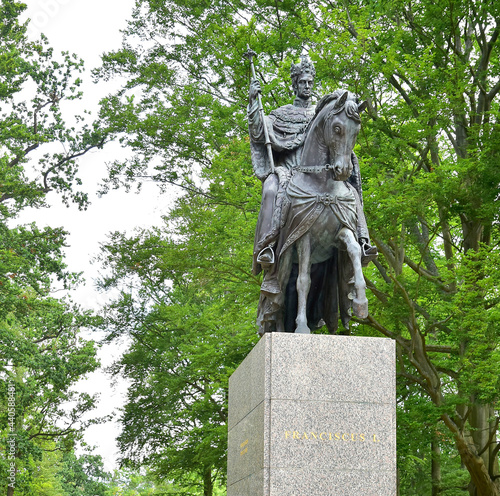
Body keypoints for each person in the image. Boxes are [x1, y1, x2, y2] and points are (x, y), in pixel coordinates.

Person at [248, 56, 376, 280]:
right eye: (302, 82)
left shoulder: (324, 112)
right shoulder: (282, 114)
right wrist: (253, 103)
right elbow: (261, 132)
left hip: (321, 176)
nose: (307, 86)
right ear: (295, 84)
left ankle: (363, 241)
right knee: (270, 189)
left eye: (310, 82)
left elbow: (339, 139)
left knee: (352, 191)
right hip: (289, 172)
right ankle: (267, 246)